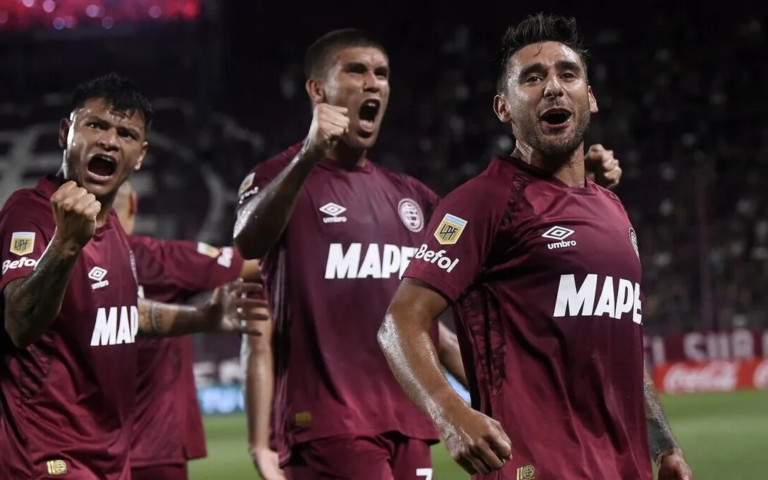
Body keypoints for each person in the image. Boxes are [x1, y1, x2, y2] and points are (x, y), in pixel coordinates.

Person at [233, 29, 624, 480]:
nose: (373, 83)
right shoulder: (280, 177)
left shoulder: (411, 196)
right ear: (317, 89)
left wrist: (571, 187)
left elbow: (490, 246)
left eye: (382, 73)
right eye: (356, 71)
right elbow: (248, 241)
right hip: (328, 422)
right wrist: (307, 155)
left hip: (411, 424)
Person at [377, 14, 694, 480]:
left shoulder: (613, 210)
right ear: (503, 107)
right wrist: (449, 412)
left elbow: (621, 345)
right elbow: (400, 322)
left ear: (590, 97)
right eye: (532, 78)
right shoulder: (482, 202)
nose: (553, 87)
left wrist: (665, 447)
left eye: (568, 74)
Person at [0, 73, 266, 479]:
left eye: (126, 134)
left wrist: (203, 318)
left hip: (110, 459)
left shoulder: (114, 231)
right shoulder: (29, 214)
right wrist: (65, 246)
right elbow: (19, 323)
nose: (110, 141)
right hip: (48, 459)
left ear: (140, 156)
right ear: (65, 133)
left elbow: (123, 315)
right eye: (96, 125)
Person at [112, 181, 262, 480]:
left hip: (89, 448)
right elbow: (256, 265)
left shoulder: (68, 268)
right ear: (133, 204)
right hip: (157, 447)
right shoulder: (159, 257)